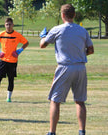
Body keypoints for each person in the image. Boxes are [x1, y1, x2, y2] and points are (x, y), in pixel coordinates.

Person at [39, 4, 94, 135]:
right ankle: (82, 131)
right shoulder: (82, 30)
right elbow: (91, 50)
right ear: (74, 15)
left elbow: (43, 45)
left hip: (65, 67)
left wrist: (43, 36)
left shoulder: (57, 29)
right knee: (80, 101)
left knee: (55, 100)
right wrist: (79, 55)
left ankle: (52, 132)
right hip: (81, 67)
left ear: (62, 15)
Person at [0, 18, 29, 103]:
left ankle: (9, 98)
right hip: (3, 60)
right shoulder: (1, 34)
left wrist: (19, 50)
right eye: (7, 24)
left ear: (13, 25)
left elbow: (26, 42)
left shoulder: (17, 35)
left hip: (13, 61)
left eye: (10, 24)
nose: (8, 26)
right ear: (4, 25)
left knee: (11, 79)